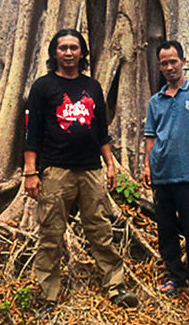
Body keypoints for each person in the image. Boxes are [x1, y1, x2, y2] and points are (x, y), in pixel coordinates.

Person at [23, 29, 138, 314]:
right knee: (51, 233)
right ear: (54, 53)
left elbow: (101, 131)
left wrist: (110, 164)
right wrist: (30, 172)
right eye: (63, 48)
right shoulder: (42, 87)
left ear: (83, 53)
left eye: (74, 47)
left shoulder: (92, 87)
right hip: (55, 171)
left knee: (100, 230)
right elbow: (32, 132)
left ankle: (116, 286)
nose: (69, 52)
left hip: (90, 170)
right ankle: (47, 294)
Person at [142, 40, 189, 312]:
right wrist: (148, 167)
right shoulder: (155, 101)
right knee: (166, 231)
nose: (169, 67)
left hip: (188, 174)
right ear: (160, 67)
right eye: (164, 63)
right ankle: (176, 277)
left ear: (183, 61)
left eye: (173, 61)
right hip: (161, 175)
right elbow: (150, 136)